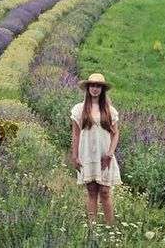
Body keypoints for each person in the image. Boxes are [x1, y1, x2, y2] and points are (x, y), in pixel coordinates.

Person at [70, 73, 121, 223]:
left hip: (104, 154)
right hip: (87, 154)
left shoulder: (110, 110)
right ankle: (93, 227)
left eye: (98, 86)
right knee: (91, 190)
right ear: (87, 88)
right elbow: (76, 134)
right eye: (92, 85)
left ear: (102, 89)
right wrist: (75, 156)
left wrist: (110, 154)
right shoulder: (79, 110)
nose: (95, 88)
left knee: (105, 191)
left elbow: (115, 134)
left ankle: (109, 225)